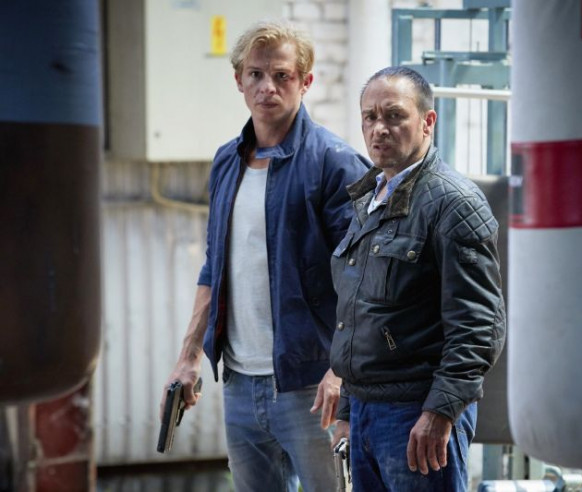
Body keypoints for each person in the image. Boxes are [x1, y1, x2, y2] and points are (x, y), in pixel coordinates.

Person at [160, 21, 369, 492]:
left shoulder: (334, 163)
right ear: (238, 80)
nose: (267, 87)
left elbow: (365, 279)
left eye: (282, 75)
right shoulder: (227, 161)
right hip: (239, 381)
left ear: (306, 81)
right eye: (255, 74)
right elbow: (214, 266)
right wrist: (188, 356)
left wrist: (341, 372)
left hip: (311, 384)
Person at [329, 66, 507, 491]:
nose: (379, 128)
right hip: (368, 413)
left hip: (415, 417)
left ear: (427, 121)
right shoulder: (370, 197)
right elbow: (360, 314)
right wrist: (349, 412)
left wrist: (440, 413)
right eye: (370, 117)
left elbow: (479, 325)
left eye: (394, 115)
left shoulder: (454, 203)